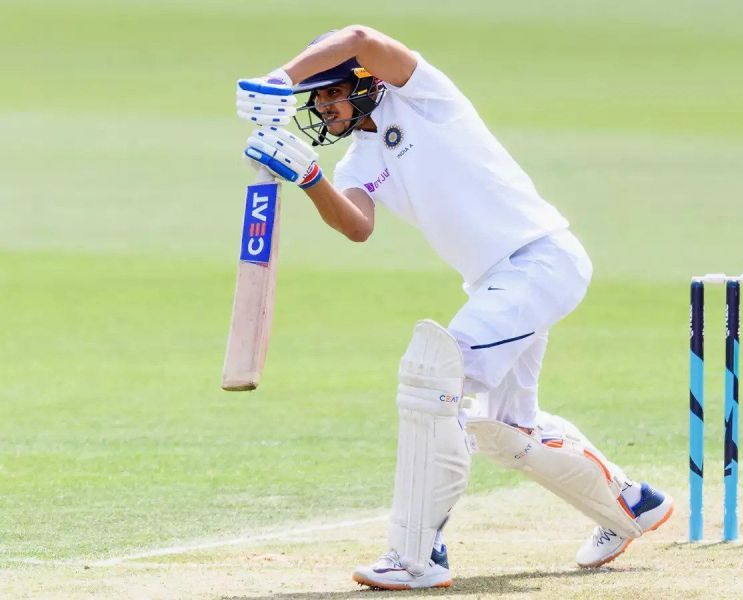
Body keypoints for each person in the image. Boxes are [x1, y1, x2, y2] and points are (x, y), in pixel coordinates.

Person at [235, 26, 674, 590]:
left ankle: (416, 555)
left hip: (540, 259)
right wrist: (309, 177)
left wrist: (282, 77)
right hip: (499, 281)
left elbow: (362, 37)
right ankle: (630, 505)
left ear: (364, 83)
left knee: (434, 376)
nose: (322, 108)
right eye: (315, 99)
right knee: (503, 426)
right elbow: (356, 225)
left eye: (331, 93)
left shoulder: (423, 95)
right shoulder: (361, 159)